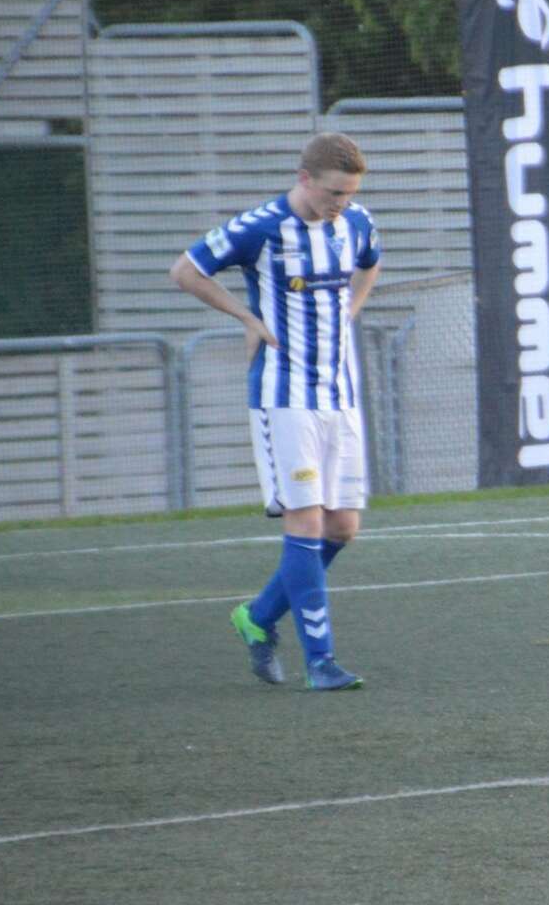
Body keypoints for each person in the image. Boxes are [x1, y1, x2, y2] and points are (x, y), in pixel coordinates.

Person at [169, 132, 381, 692]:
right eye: (333, 193)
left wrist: (351, 310)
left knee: (343, 527)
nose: (341, 203)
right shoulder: (259, 227)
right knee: (305, 521)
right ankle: (321, 663)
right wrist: (246, 317)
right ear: (304, 178)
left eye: (350, 193)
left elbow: (370, 264)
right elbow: (185, 271)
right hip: (284, 398)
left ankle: (258, 617)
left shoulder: (357, 222)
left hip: (340, 395)